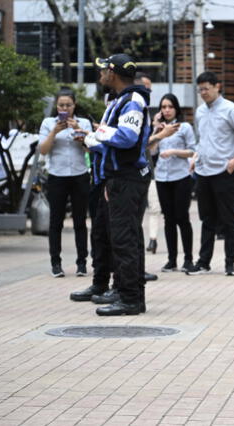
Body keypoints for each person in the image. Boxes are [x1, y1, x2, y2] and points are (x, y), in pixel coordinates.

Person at [74, 53, 151, 315]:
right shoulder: (123, 100)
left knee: (124, 239)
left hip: (127, 179)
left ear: (113, 73)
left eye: (103, 70)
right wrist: (96, 137)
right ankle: (126, 293)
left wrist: (98, 135)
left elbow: (128, 137)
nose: (100, 74)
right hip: (118, 178)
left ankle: (130, 299)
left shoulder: (133, 100)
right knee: (122, 237)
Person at [186, 71, 234, 276]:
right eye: (200, 90)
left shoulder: (231, 110)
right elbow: (202, 140)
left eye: (206, 89)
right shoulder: (200, 111)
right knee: (206, 218)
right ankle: (203, 262)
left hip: (224, 171)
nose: (203, 93)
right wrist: (195, 158)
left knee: (228, 219)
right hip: (203, 171)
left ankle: (230, 264)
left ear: (218, 86)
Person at [38, 88, 93, 278]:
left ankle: (82, 263)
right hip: (57, 176)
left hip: (79, 175)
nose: (65, 108)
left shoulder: (83, 122)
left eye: (68, 105)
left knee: (80, 220)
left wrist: (80, 132)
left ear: (74, 105)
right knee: (56, 221)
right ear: (56, 106)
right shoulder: (48, 123)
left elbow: (92, 150)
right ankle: (56, 263)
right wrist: (54, 132)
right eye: (61, 105)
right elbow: (43, 150)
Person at [148, 94, 196, 272]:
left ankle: (189, 259)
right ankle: (171, 259)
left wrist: (175, 151)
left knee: (182, 218)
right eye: (163, 107)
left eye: (170, 106)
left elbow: (193, 151)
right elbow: (151, 151)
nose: (166, 110)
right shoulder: (158, 129)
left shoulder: (184, 127)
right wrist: (155, 130)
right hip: (161, 177)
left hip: (181, 177)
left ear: (176, 108)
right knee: (168, 219)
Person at [134, 72, 161, 255]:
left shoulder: (147, 112)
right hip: (132, 172)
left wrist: (156, 132)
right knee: (135, 212)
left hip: (148, 170)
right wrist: (159, 135)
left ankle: (152, 240)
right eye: (147, 88)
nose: (150, 91)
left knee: (154, 207)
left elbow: (151, 150)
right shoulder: (132, 109)